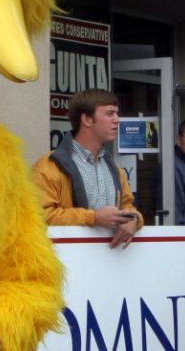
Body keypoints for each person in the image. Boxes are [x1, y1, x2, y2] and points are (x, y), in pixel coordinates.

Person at [32, 89, 143, 248]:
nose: (117, 120)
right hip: (67, 263)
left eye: (117, 113)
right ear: (87, 119)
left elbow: (128, 206)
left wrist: (133, 220)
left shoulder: (113, 167)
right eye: (110, 113)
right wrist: (93, 218)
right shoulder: (49, 166)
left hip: (111, 262)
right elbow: (40, 216)